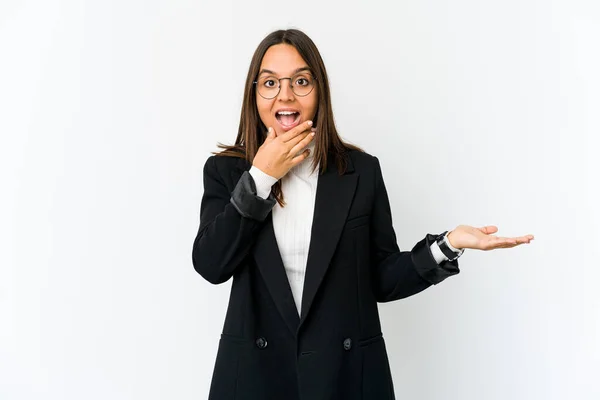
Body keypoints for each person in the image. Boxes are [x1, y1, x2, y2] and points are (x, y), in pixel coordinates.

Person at [192, 28, 534, 400]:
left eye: (301, 81)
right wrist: (260, 176)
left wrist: (447, 245)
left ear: (319, 90)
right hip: (255, 380)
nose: (285, 95)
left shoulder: (360, 171)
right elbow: (211, 264)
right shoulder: (227, 172)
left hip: (344, 378)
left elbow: (382, 278)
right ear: (254, 93)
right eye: (270, 82)